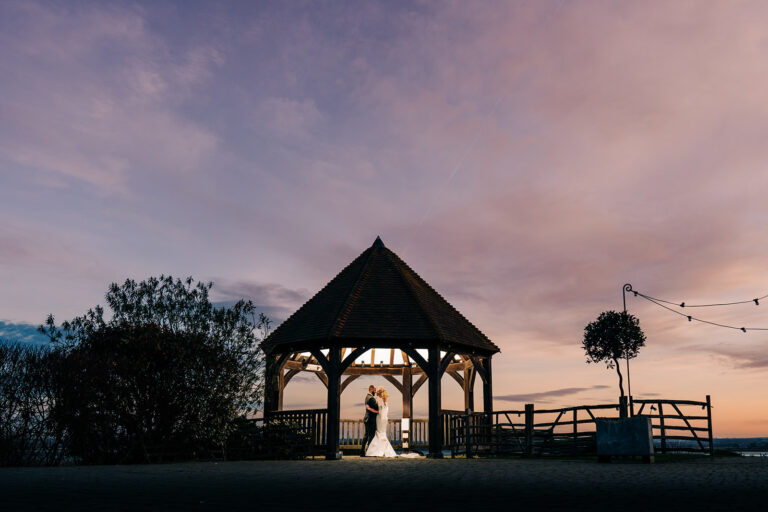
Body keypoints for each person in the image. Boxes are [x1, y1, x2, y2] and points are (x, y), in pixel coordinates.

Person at [364, 387, 397, 458]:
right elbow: (385, 411)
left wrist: (369, 408)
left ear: (380, 392)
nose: (376, 392)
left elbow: (378, 411)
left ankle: (377, 450)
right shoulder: (385, 400)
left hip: (380, 418)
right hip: (385, 419)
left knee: (379, 433)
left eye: (378, 391)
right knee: (382, 433)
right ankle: (385, 449)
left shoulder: (379, 399)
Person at [361, 385, 378, 456]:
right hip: (370, 419)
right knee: (371, 435)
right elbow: (377, 407)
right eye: (374, 390)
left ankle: (362, 451)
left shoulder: (367, 397)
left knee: (366, 435)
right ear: (371, 390)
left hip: (367, 418)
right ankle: (368, 451)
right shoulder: (371, 398)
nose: (375, 392)